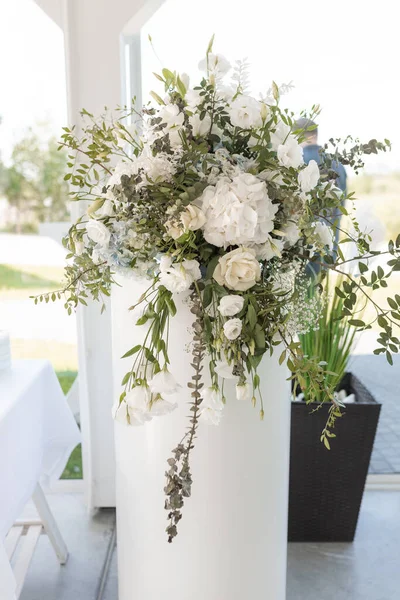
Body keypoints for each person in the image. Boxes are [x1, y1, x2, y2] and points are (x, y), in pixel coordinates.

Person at [294, 118, 347, 277]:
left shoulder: (297, 161)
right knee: (315, 296)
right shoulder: (338, 165)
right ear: (315, 133)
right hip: (329, 249)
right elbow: (340, 204)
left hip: (299, 250)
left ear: (296, 135)